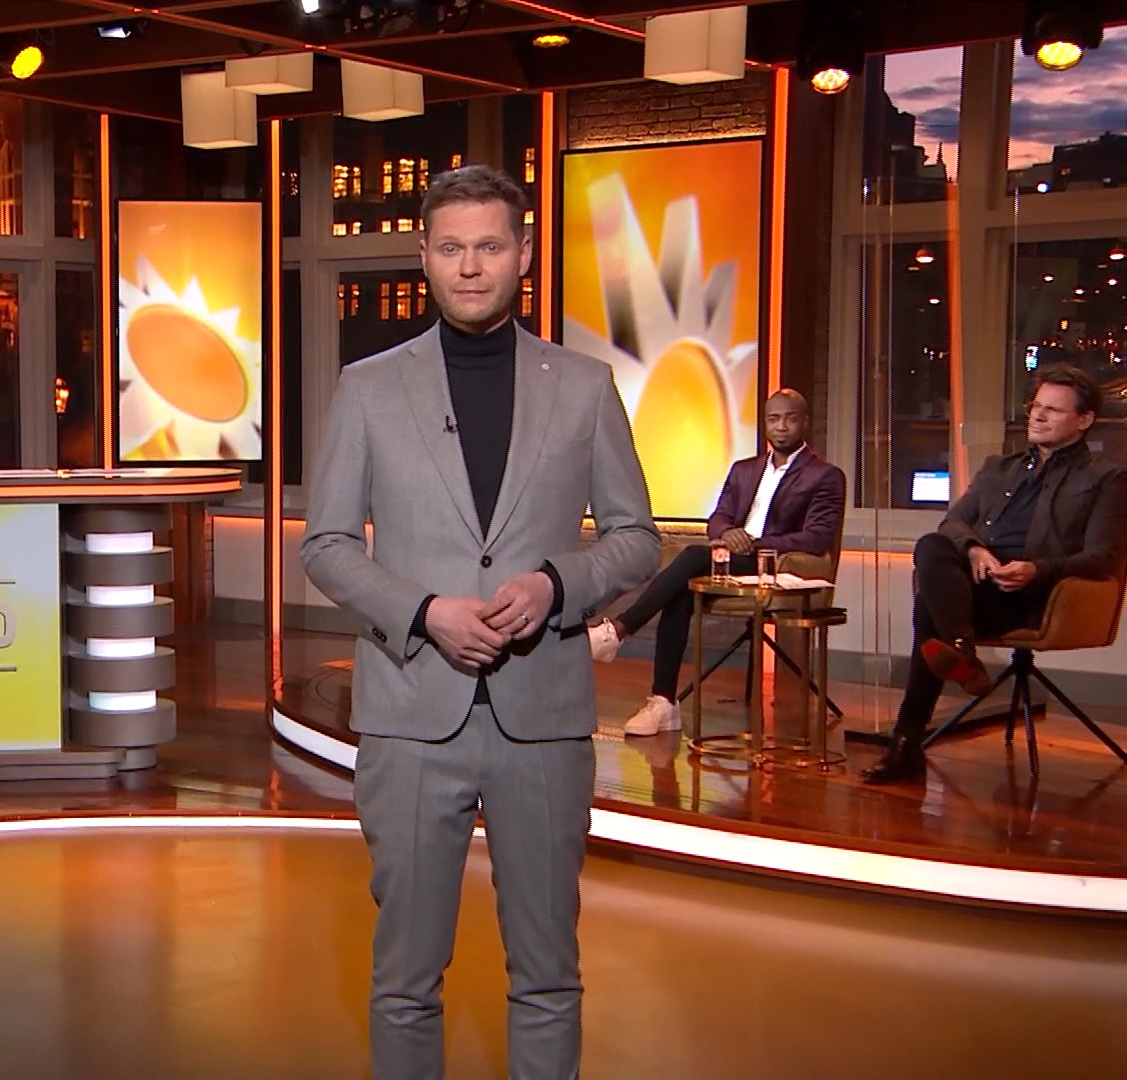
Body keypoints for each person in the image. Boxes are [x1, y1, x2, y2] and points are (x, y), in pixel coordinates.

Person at [302, 165, 660, 1080]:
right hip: (411, 716)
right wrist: (424, 612)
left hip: (543, 717)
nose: (470, 266)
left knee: (547, 975)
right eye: (452, 248)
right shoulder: (370, 387)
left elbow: (636, 539)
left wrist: (555, 585)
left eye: (490, 246)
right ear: (424, 257)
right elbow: (327, 545)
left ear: (524, 255)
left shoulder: (583, 386)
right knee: (405, 980)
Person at [862, 365, 1127, 785]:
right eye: (1035, 406)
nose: (1037, 416)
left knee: (930, 609)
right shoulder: (998, 468)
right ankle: (960, 647)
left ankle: (909, 738)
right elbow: (953, 522)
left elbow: (1104, 558)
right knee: (932, 545)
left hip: (1037, 596)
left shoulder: (1106, 478)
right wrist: (975, 549)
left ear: (1084, 419)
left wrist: (1037, 570)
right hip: (977, 589)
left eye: (1053, 410)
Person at [587, 389, 847, 735]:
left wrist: (751, 543)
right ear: (765, 423)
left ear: (805, 423)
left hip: (776, 566)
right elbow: (719, 518)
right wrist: (727, 532)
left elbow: (816, 538)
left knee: (694, 556)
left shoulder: (825, 476)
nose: (782, 426)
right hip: (734, 561)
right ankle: (663, 703)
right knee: (681, 590)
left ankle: (619, 630)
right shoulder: (744, 470)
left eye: (790, 418)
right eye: (774, 419)